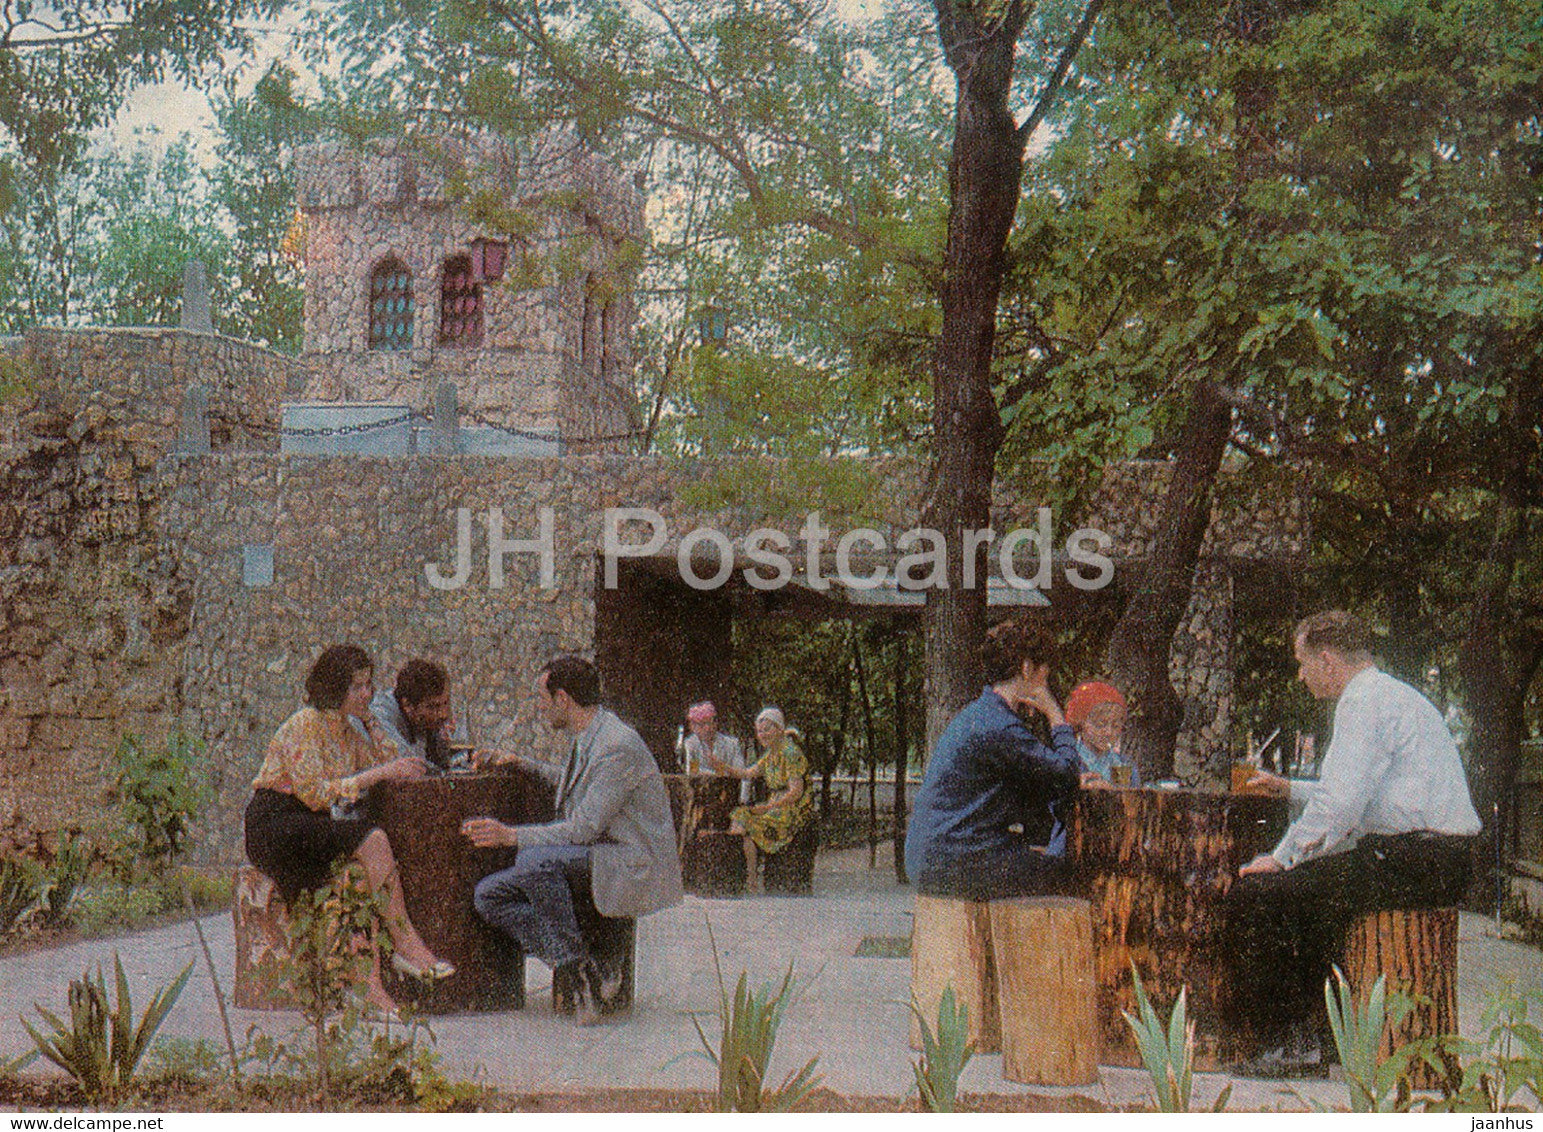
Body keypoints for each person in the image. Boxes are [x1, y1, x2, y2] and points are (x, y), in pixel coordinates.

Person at [1227, 610, 1481, 1075]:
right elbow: (1361, 796)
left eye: (1302, 663)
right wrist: (1290, 790)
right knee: (1310, 890)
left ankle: (1292, 1042)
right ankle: (1323, 1036)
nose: (1301, 676)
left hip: (1417, 859)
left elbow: (1341, 810)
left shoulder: (1362, 703)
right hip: (1434, 856)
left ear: (1326, 660)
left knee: (1260, 894)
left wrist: (1282, 858)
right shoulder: (1386, 695)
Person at [460, 656, 683, 1025]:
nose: (540, 707)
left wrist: (510, 835)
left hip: (627, 863)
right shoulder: (591, 736)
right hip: (598, 855)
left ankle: (581, 976)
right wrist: (520, 763)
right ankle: (581, 966)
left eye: (542, 699)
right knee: (489, 895)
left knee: (533, 861)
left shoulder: (616, 744)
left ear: (562, 698)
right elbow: (577, 788)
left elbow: (581, 830)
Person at [244, 644, 454, 1013]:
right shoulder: (305, 724)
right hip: (276, 823)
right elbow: (314, 795)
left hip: (312, 826)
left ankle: (368, 990)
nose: (367, 694)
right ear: (335, 687)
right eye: (358, 687)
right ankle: (406, 944)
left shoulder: (346, 730)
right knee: (371, 838)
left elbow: (395, 764)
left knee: (358, 877)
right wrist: (377, 773)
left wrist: (372, 723)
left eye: (370, 686)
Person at [905, 617, 1105, 901]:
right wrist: (1056, 716)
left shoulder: (983, 713)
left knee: (1043, 862)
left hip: (937, 858)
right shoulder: (999, 724)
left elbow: (1047, 778)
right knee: (1075, 874)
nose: (1045, 684)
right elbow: (1064, 772)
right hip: (954, 862)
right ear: (1026, 668)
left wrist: (1066, 776)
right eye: (1045, 675)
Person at [705, 707, 812, 894]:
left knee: (747, 824)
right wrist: (722, 766)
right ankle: (745, 876)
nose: (762, 735)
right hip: (775, 806)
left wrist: (769, 806)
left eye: (767, 730)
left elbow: (796, 792)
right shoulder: (771, 754)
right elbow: (748, 773)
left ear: (779, 729)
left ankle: (751, 880)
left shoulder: (790, 753)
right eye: (760, 731)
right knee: (739, 815)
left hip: (791, 810)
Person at [367, 658, 456, 769]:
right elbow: (405, 762)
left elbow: (443, 763)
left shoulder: (424, 720)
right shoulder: (380, 714)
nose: (443, 714)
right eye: (433, 707)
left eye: (446, 703)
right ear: (408, 705)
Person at [1064, 681, 1139, 786]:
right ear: (1082, 723)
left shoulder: (1123, 764)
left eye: (1116, 726)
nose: (1108, 732)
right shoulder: (1067, 761)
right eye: (1100, 724)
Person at [684, 700, 750, 803]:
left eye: (710, 723)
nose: (708, 728)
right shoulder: (691, 744)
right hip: (702, 800)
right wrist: (721, 772)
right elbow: (692, 772)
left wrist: (743, 802)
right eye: (702, 724)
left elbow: (743, 775)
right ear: (692, 727)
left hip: (730, 799)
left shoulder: (732, 744)